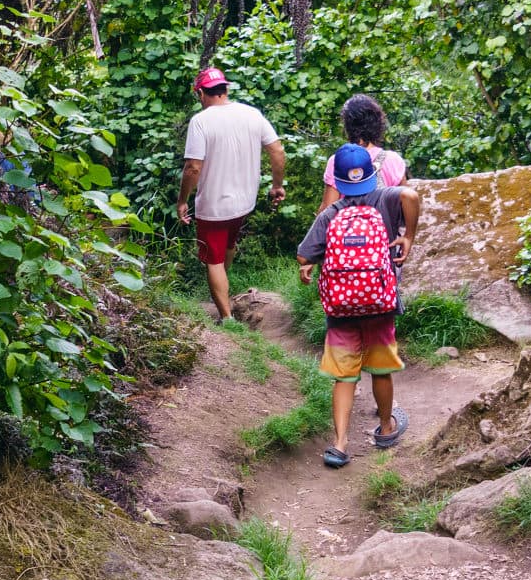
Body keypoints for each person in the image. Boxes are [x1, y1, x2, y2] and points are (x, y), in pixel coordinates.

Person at [297, 143, 420, 468]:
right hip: (379, 303)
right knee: (380, 368)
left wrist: (311, 264)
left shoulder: (330, 213)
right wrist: (408, 236)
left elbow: (304, 254)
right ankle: (386, 429)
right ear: (371, 174)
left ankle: (339, 444)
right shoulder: (386, 199)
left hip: (341, 309)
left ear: (337, 181)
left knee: (344, 376)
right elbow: (411, 196)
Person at [177, 67, 286, 322]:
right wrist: (277, 185)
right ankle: (223, 289)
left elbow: (193, 167)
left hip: (214, 206)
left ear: (201, 93)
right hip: (244, 202)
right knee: (228, 245)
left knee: (213, 260)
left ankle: (226, 319)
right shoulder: (252, 114)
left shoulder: (201, 121)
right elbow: (277, 151)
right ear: (226, 89)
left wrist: (182, 200)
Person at [318, 94, 407, 210]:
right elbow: (406, 203)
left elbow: (328, 208)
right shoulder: (394, 160)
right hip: (385, 221)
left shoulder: (337, 161)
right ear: (378, 124)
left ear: (347, 127)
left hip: (350, 221)